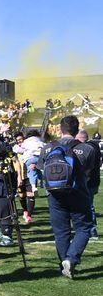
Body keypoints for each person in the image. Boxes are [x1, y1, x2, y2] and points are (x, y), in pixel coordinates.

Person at [39, 115, 97, 278]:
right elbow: (88, 172)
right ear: (77, 130)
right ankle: (71, 259)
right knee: (84, 227)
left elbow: (42, 169)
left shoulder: (48, 148)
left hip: (54, 193)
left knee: (61, 231)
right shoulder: (87, 149)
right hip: (78, 191)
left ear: (60, 129)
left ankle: (64, 261)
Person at [76, 129, 101, 237]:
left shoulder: (85, 149)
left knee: (86, 205)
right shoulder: (95, 147)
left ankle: (89, 229)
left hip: (87, 181)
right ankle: (90, 228)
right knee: (88, 205)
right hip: (94, 181)